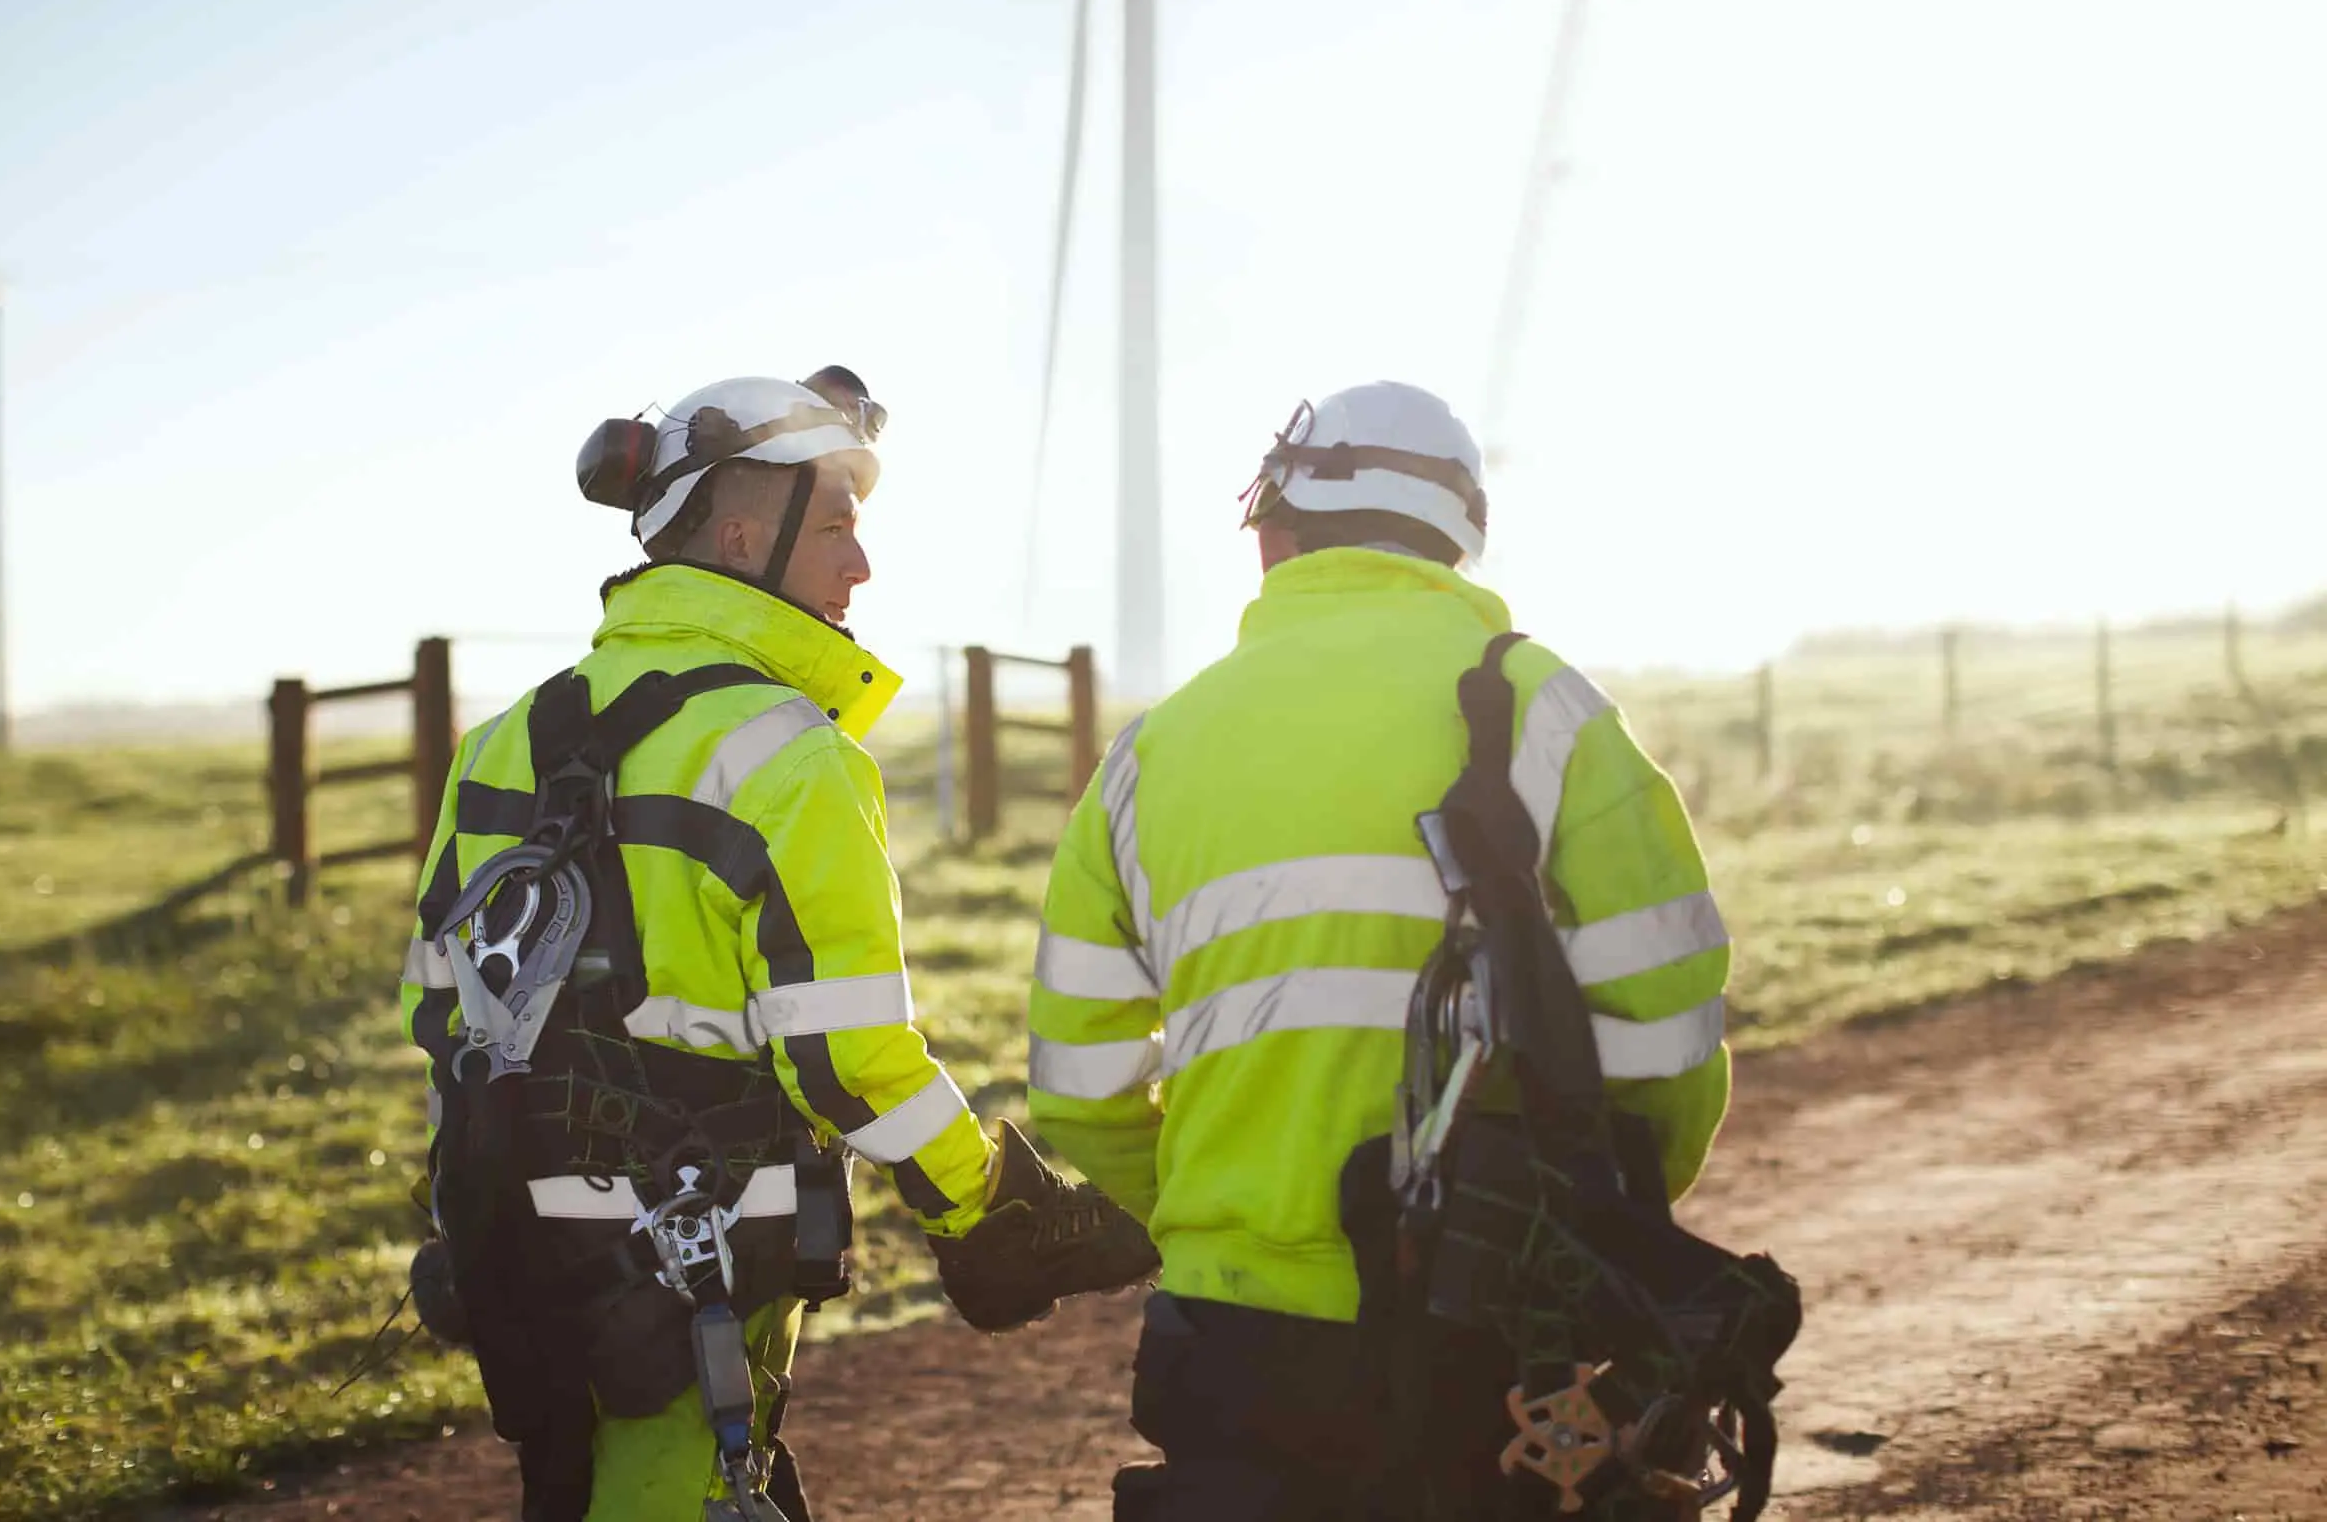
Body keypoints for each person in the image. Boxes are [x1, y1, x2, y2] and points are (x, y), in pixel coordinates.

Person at [403, 367, 1157, 1522]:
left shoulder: (504, 737)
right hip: (691, 1258)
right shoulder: (792, 756)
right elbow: (846, 1055)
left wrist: (486, 1201)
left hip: (511, 1239)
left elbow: (438, 1007)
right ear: (746, 533)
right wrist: (990, 1203)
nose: (861, 565)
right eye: (840, 527)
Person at [1025, 381, 1739, 1518]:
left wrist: (1213, 1210)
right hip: (1496, 1327)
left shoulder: (1147, 754)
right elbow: (1665, 1033)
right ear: (1460, 540)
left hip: (1230, 1328)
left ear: (1272, 531)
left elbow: (1075, 1084)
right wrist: (1597, 1233)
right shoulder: (1545, 712)